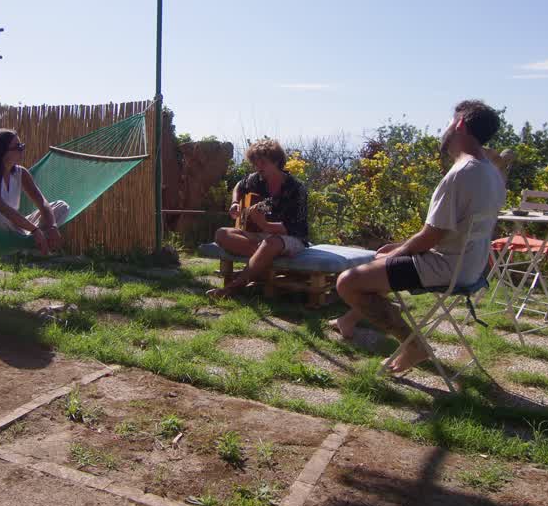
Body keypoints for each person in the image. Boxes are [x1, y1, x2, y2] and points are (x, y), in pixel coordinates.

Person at [329, 100, 507, 374]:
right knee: (381, 263)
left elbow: (430, 237)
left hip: (447, 267)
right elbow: (445, 232)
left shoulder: (462, 173)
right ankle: (348, 320)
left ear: (459, 124)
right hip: (471, 265)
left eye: (451, 121)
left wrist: (397, 254)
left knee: (349, 281)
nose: (446, 127)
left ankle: (413, 345)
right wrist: (398, 250)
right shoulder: (491, 172)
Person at [209, 138, 309, 298]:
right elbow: (239, 186)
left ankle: (234, 286)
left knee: (271, 243)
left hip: (290, 237)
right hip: (261, 237)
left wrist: (263, 224)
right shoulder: (257, 179)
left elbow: (294, 227)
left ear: (276, 161)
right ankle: (265, 256)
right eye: (255, 163)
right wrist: (235, 203)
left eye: (262, 162)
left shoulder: (296, 188)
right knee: (222, 233)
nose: (258, 167)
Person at [0, 128, 67, 254]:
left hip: (13, 226)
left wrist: (52, 226)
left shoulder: (21, 173)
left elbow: (42, 202)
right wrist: (34, 230)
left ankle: (25, 244)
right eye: (17, 147)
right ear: (1, 152)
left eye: (22, 145)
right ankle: (26, 245)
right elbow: (2, 209)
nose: (22, 149)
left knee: (61, 206)